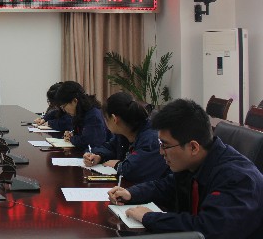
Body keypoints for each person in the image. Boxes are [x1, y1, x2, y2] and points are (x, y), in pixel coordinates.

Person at [107, 99, 263, 239]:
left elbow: (207, 229)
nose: (161, 152)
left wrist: (149, 217)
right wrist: (132, 193)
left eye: (165, 145)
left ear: (193, 147)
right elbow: (167, 186)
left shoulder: (237, 178)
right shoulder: (195, 162)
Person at [83, 92, 169, 183]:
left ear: (114, 119)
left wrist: (117, 164)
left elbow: (135, 170)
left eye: (106, 118)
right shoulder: (124, 133)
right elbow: (110, 147)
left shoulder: (152, 138)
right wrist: (98, 156)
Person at [58, 81, 111, 149]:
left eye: (64, 106)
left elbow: (90, 142)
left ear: (74, 101)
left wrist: (72, 138)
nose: (64, 110)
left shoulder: (93, 115)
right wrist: (72, 134)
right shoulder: (81, 112)